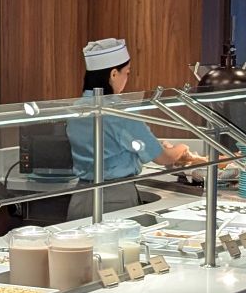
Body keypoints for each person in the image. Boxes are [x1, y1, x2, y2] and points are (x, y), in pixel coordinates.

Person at [65, 38, 207, 219]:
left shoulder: (75, 109)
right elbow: (162, 158)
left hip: (79, 198)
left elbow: (112, 145)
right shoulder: (119, 111)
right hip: (114, 198)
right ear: (113, 74)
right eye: (127, 73)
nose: (126, 79)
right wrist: (181, 148)